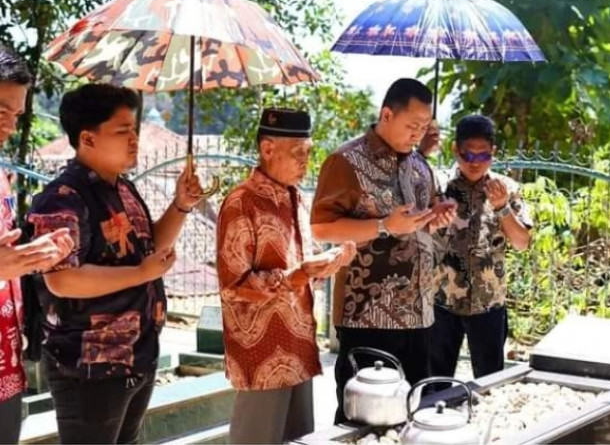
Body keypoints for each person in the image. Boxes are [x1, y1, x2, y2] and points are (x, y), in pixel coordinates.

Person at [26, 83, 203, 444]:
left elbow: (148, 245)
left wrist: (181, 205)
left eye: (134, 129)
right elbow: (62, 279)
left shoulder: (123, 188)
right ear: (87, 139)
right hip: (90, 363)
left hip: (136, 352)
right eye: (122, 131)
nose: (134, 139)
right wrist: (141, 273)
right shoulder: (62, 199)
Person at [311, 78, 456, 424]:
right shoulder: (345, 161)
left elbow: (419, 222)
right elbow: (321, 227)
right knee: (363, 418)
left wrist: (436, 215)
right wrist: (382, 226)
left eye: (425, 127)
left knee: (414, 415)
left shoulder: (421, 166)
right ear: (387, 114)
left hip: (420, 314)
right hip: (368, 315)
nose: (418, 134)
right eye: (412, 125)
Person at [217, 108, 355, 444]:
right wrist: (298, 275)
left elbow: (299, 270)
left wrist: (324, 267)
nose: (305, 162)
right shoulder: (240, 203)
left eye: (308, 153)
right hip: (260, 353)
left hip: (298, 347)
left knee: (298, 440)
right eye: (298, 154)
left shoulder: (296, 198)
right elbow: (233, 286)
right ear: (267, 149)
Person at [0, 45, 73, 444]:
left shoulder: (1, 176)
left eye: (16, 115)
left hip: (7, 369)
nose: (10, 127)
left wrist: (34, 255)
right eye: (1, 112)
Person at [431, 115, 533, 382]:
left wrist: (502, 208)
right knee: (433, 386)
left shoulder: (508, 189)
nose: (475, 163)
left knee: (490, 385)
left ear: (493, 153)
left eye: (483, 156)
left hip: (488, 304)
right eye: (468, 155)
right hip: (442, 302)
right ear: (455, 150)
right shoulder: (437, 187)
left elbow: (522, 243)